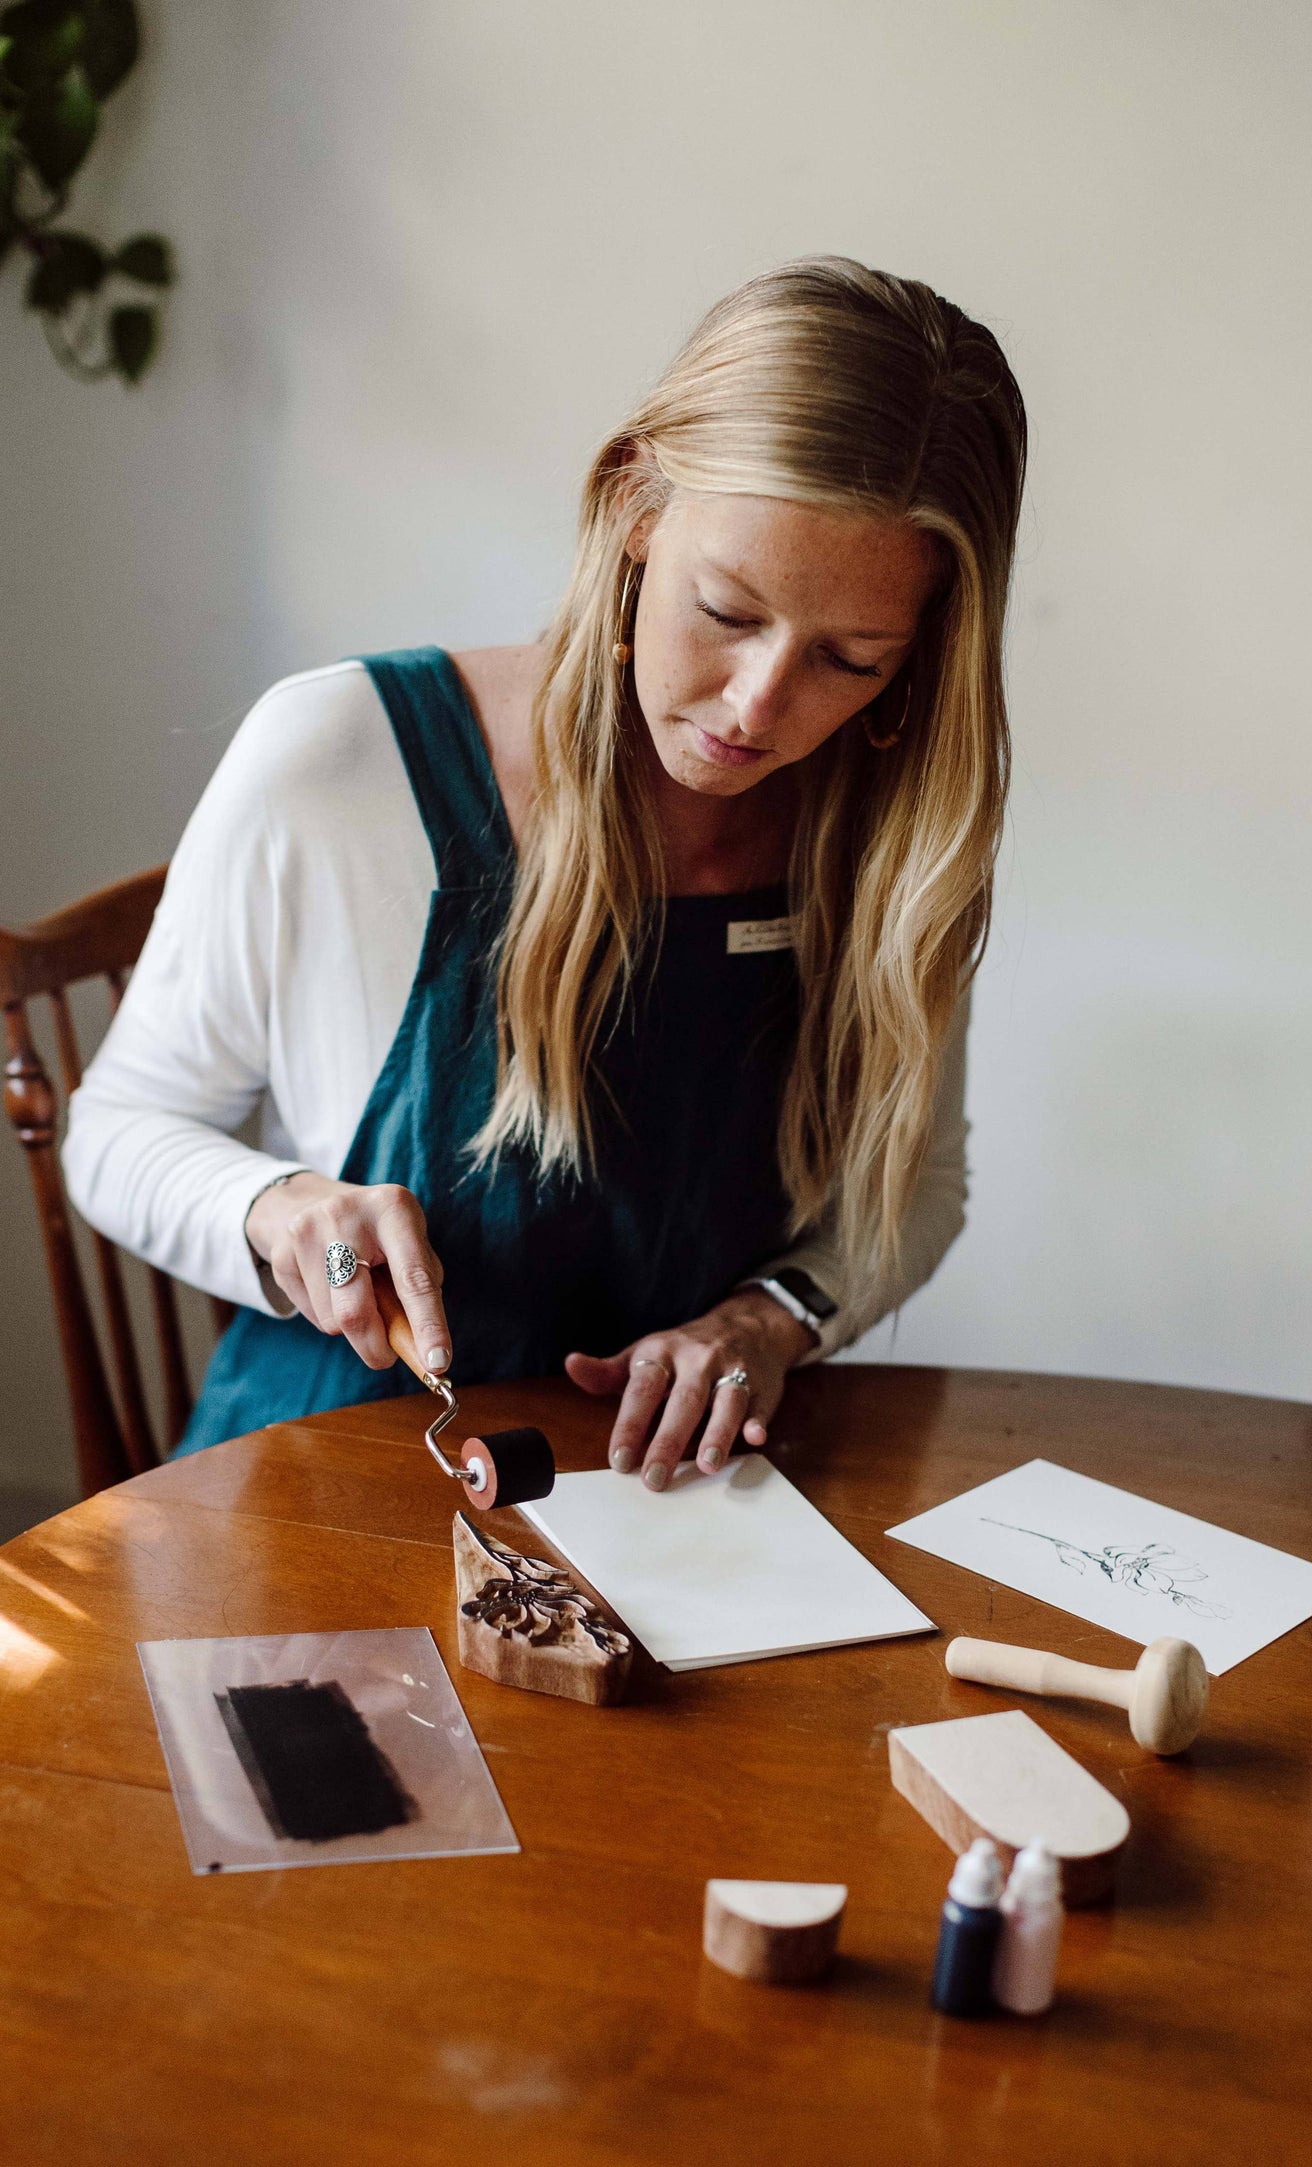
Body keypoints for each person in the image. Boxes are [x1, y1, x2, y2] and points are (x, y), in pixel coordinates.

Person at [63, 256, 1026, 1491]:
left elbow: (918, 1182)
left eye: (849, 658)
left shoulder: (895, 838)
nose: (757, 706)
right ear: (633, 506)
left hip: (679, 1511)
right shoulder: (345, 759)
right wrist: (282, 1211)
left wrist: (773, 1317)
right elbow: (119, 1131)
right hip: (317, 1490)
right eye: (726, 611)